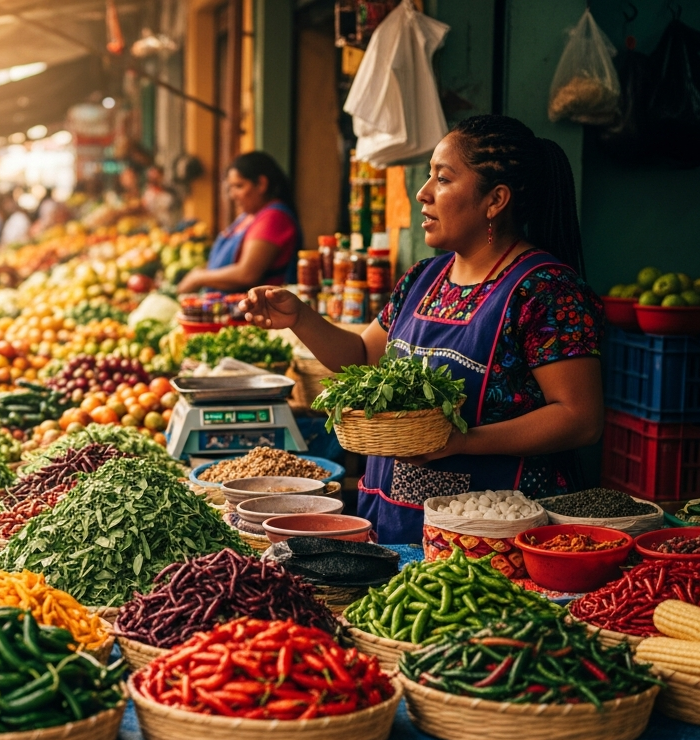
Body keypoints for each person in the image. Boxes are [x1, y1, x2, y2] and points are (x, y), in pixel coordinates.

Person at [238, 115, 605, 544]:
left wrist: (462, 441)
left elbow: (579, 418)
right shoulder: (423, 278)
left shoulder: (544, 290)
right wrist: (300, 318)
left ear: (496, 199)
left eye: (442, 179)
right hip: (394, 518)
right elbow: (361, 356)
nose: (423, 192)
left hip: (491, 536)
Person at [176, 152, 300, 293]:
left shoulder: (274, 218)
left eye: (239, 186)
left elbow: (247, 274)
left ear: (261, 184)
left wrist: (198, 278)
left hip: (253, 311)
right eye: (231, 188)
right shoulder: (249, 216)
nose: (232, 195)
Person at [142, 165, 179, 229]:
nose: (154, 178)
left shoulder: (171, 190)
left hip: (173, 224)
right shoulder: (148, 194)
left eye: (156, 175)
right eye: (151, 176)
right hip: (155, 227)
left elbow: (176, 205)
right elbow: (145, 209)